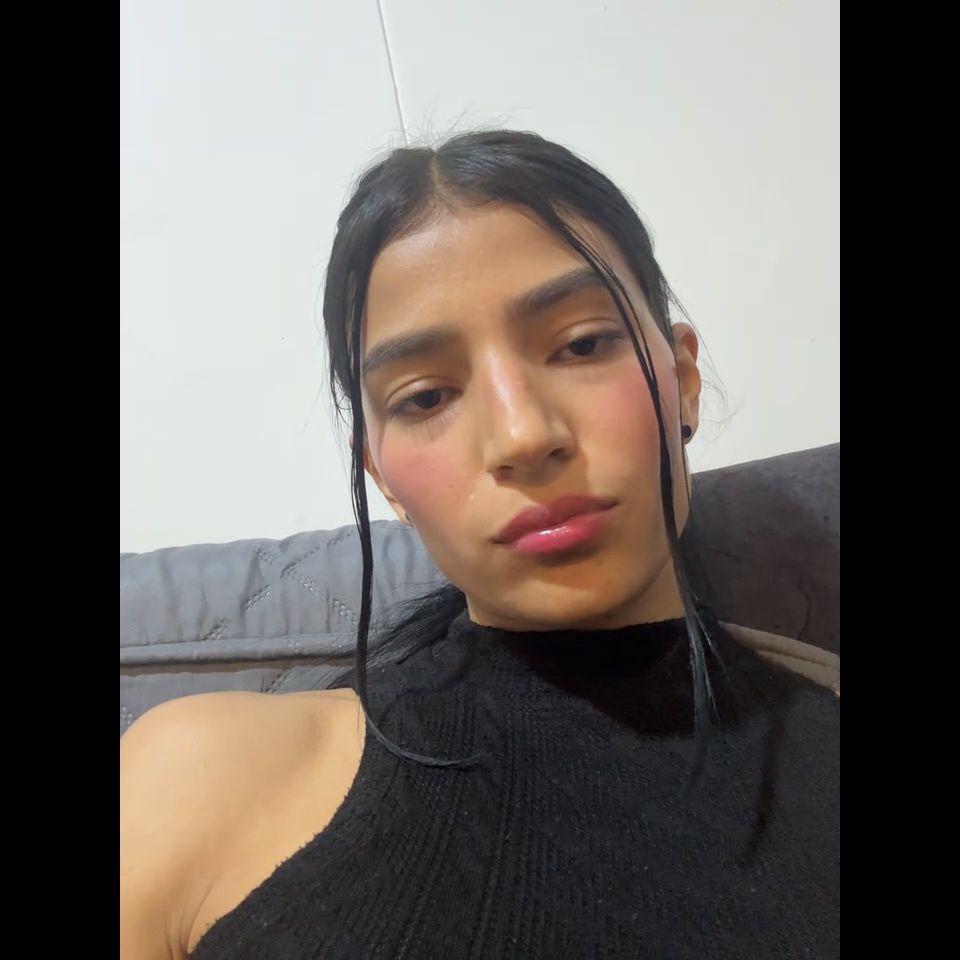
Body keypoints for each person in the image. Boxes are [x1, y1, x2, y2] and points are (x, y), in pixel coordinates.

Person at [120, 129, 839, 960]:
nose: (523, 436)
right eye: (426, 397)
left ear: (681, 380)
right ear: (382, 476)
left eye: (582, 344)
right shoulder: (193, 779)